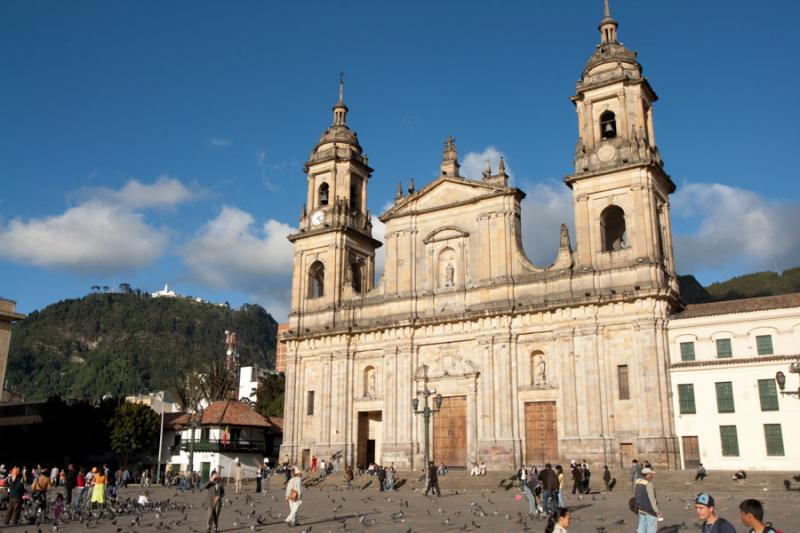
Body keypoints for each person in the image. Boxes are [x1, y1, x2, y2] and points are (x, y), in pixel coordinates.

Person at [634, 467, 661, 533]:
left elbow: (636, 494)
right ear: (647, 474)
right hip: (649, 509)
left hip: (640, 507)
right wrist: (656, 510)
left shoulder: (637, 482)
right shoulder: (649, 483)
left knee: (642, 525)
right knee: (651, 526)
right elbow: (651, 498)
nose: (652, 475)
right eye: (651, 474)